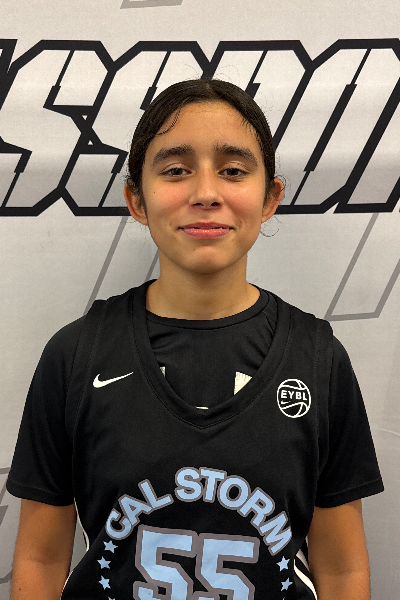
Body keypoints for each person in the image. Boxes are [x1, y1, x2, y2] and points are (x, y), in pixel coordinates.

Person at [7, 78, 383, 600]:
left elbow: (341, 570)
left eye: (233, 170)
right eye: (176, 170)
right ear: (136, 199)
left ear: (270, 197)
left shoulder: (319, 360)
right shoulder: (75, 356)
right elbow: (41, 559)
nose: (206, 193)